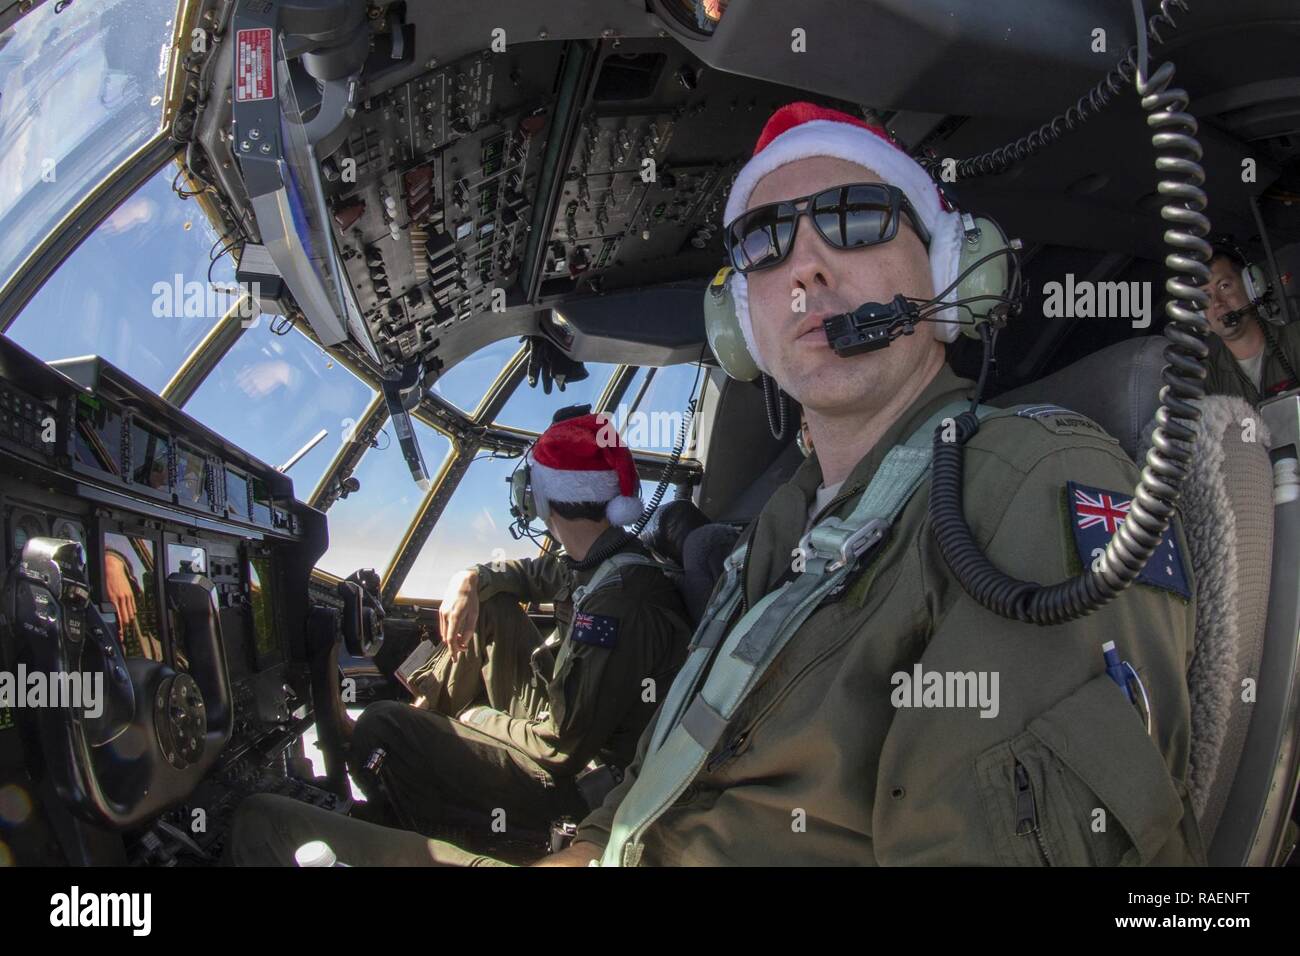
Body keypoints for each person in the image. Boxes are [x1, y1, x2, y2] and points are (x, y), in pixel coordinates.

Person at [536, 102, 1202, 866]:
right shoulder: (785, 523)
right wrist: (589, 847)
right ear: (741, 322)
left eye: (855, 218)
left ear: (953, 265)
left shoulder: (1032, 484)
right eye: (764, 240)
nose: (806, 267)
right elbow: (667, 766)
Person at [226, 412, 691, 865]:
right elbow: (521, 574)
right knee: (489, 605)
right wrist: (468, 579)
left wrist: (474, 717)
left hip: (584, 783)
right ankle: (426, 719)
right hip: (567, 713)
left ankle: (410, 752)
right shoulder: (594, 560)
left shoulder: (620, 603)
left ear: (543, 495)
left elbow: (560, 749)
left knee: (382, 726)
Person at [1203, 243, 1300, 405]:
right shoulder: (1207, 378)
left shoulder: (1296, 339)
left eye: (1224, 286)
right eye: (1206, 297)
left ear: (1252, 288)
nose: (1217, 302)